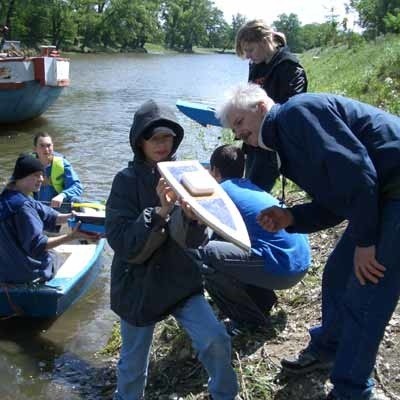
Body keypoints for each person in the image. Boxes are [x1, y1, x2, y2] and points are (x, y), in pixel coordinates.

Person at [216, 82, 400, 400]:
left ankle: (351, 390)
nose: (236, 134)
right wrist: (292, 218)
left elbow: (358, 172)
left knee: (367, 296)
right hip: (380, 195)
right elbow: (338, 201)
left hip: (395, 190)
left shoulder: (297, 114)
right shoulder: (284, 143)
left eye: (239, 123)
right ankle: (327, 349)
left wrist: (366, 242)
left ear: (260, 107)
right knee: (338, 275)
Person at [105, 100, 239, 400]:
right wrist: (160, 212)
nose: (162, 144)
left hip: (180, 280)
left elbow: (196, 241)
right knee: (132, 365)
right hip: (138, 286)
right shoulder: (124, 182)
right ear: (140, 141)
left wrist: (193, 220)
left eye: (168, 137)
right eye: (155, 138)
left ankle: (225, 394)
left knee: (216, 339)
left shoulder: (188, 175)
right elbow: (123, 243)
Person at [198, 144, 311, 334]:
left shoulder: (221, 192)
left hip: (283, 268)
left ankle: (246, 318)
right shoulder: (248, 186)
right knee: (229, 249)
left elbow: (204, 236)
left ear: (214, 171)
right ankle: (262, 301)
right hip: (300, 262)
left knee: (202, 254)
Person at [235, 19, 308, 193]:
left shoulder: (290, 68)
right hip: (252, 142)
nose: (249, 56)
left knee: (254, 191)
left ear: (265, 40)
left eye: (250, 50)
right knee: (248, 185)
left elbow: (292, 110)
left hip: (271, 145)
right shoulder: (257, 66)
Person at [0, 154, 92, 284]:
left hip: (4, 272)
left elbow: (49, 216)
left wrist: (72, 216)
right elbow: (38, 245)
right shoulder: (24, 207)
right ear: (22, 177)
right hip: (26, 273)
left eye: (42, 174)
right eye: (36, 175)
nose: (42, 179)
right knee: (54, 256)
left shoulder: (8, 196)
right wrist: (72, 236)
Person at [33, 132, 83, 209]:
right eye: (42, 146)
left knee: (75, 199)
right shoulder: (27, 164)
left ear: (53, 146)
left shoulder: (62, 163)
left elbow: (77, 186)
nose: (46, 149)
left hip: (57, 208)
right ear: (35, 149)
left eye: (49, 145)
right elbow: (14, 185)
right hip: (33, 207)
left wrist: (62, 195)